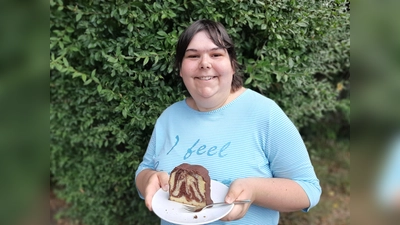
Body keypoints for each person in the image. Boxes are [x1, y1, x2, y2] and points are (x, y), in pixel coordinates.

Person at [135, 19, 321, 225]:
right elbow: (145, 169)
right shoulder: (169, 117)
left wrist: (254, 190)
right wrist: (148, 180)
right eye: (193, 55)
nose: (205, 63)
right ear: (180, 68)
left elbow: (308, 189)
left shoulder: (264, 114)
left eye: (216, 54)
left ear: (232, 65)